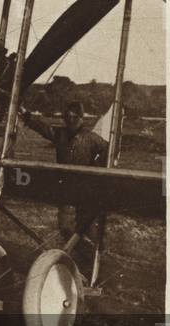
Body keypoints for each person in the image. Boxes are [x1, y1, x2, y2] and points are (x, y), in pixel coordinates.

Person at [22, 101, 108, 241]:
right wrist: (27, 116)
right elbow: (43, 128)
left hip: (86, 189)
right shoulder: (59, 134)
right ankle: (77, 252)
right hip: (66, 188)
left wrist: (96, 169)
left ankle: (89, 257)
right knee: (65, 227)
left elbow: (107, 151)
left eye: (75, 117)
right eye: (68, 117)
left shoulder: (92, 138)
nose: (71, 120)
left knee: (89, 229)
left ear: (81, 118)